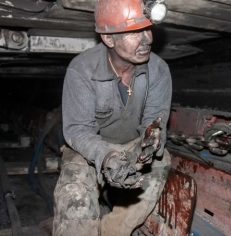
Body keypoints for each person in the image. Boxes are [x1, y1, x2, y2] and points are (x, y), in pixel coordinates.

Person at [52, 0, 172, 235]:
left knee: (161, 161)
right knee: (75, 193)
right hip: (88, 149)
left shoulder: (158, 70)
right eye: (134, 33)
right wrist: (107, 155)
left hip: (130, 143)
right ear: (109, 39)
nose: (147, 39)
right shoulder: (82, 69)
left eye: (148, 29)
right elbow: (77, 131)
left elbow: (154, 120)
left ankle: (111, 231)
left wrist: (150, 142)